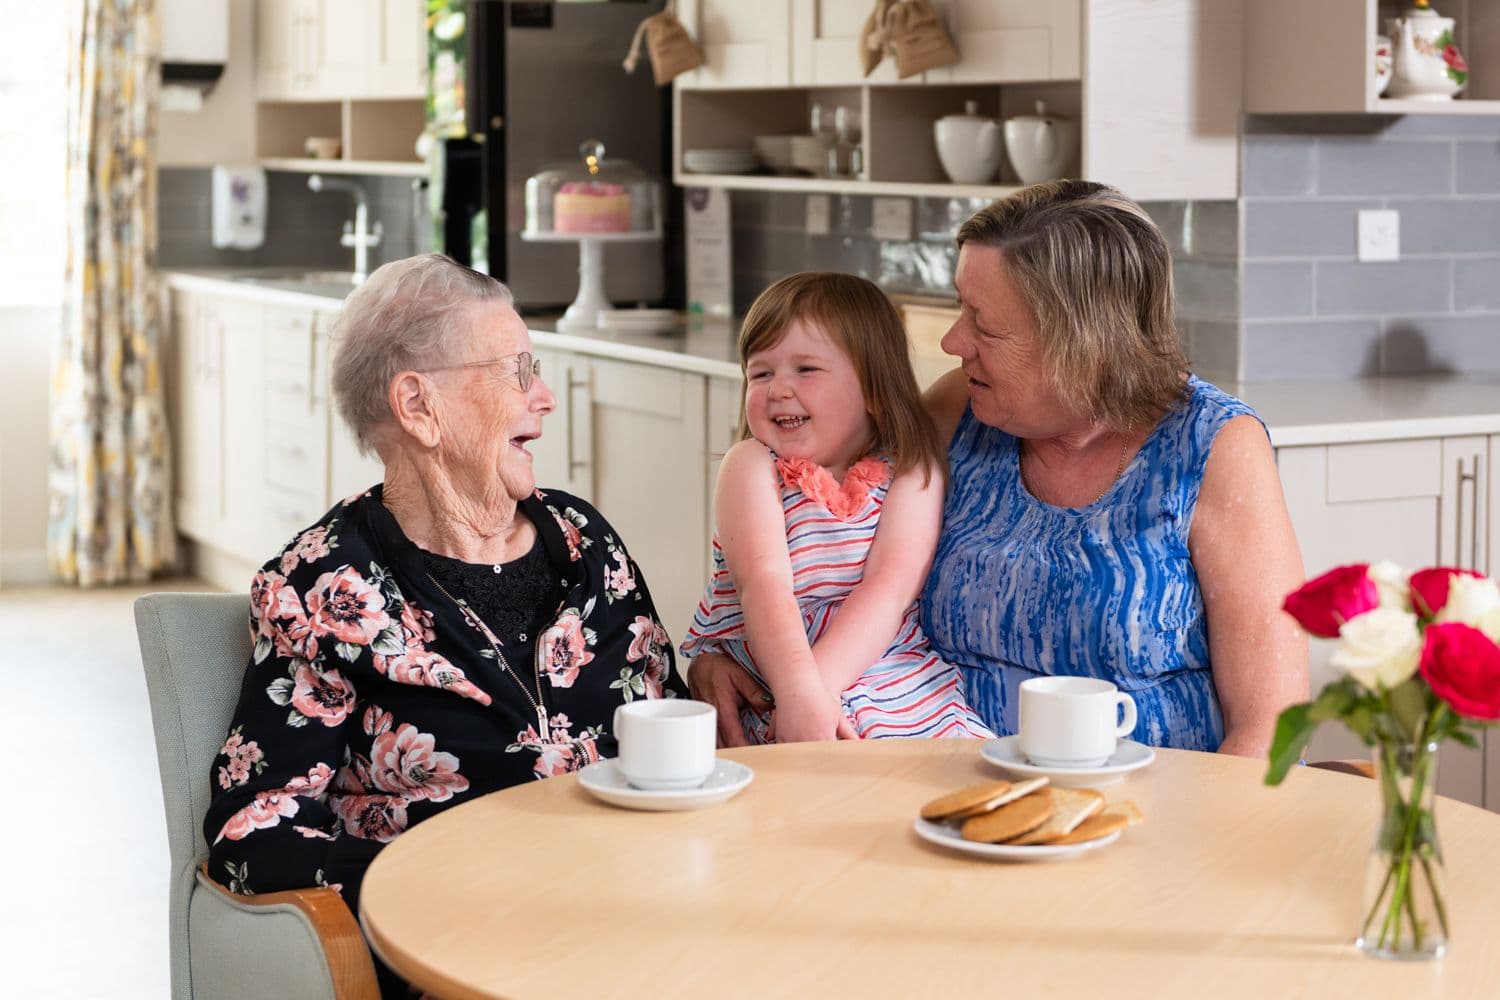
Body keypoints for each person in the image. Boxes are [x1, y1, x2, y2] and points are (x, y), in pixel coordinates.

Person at [203, 254, 685, 994]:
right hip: (471, 961)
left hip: (642, 923)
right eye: (516, 371)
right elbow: (254, 832)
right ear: (419, 405)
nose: (545, 397)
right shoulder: (322, 589)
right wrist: (446, 892)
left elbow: (671, 733)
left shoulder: (587, 544)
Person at [690, 181, 1308, 757]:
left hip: (1143, 816)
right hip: (935, 787)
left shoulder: (1215, 447)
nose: (953, 343)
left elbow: (1270, 730)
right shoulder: (958, 409)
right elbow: (808, 544)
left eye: (984, 324)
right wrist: (720, 657)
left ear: (1080, 341)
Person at [680, 272, 993, 744]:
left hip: (886, 671)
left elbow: (890, 588)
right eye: (760, 373)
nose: (779, 389)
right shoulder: (751, 466)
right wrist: (802, 693)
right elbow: (763, 586)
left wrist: (822, 687)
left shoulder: (910, 467)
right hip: (778, 672)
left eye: (806, 370)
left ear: (873, 389)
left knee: (953, 772)